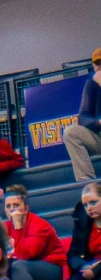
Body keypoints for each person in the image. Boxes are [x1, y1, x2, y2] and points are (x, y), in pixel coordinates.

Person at [3, 183, 70, 280]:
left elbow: (27, 254)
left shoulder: (39, 225)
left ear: (26, 208)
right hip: (24, 270)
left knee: (18, 266)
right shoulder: (5, 228)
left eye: (16, 205)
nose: (12, 209)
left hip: (52, 270)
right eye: (8, 206)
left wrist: (18, 228)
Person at [62, 51, 101, 185]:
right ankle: (88, 184)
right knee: (70, 133)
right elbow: (83, 117)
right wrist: (98, 123)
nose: (100, 67)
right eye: (97, 64)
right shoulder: (91, 84)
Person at [68, 181, 101, 280]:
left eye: (93, 202)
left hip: (99, 269)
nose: (89, 208)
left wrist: (96, 270)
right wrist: (83, 266)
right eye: (85, 205)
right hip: (90, 266)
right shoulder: (84, 224)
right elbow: (72, 253)